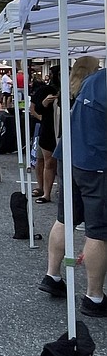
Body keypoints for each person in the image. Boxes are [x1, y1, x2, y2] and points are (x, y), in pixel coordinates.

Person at [38, 67, 107, 317]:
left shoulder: (93, 80)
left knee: (65, 218)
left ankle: (52, 275)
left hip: (70, 156)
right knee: (99, 230)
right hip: (95, 163)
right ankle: (94, 296)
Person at [31, 66, 60, 204]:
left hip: (57, 129)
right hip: (47, 129)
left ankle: (47, 191)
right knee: (44, 160)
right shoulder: (46, 90)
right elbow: (33, 108)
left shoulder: (72, 90)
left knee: (47, 161)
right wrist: (42, 113)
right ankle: (43, 190)